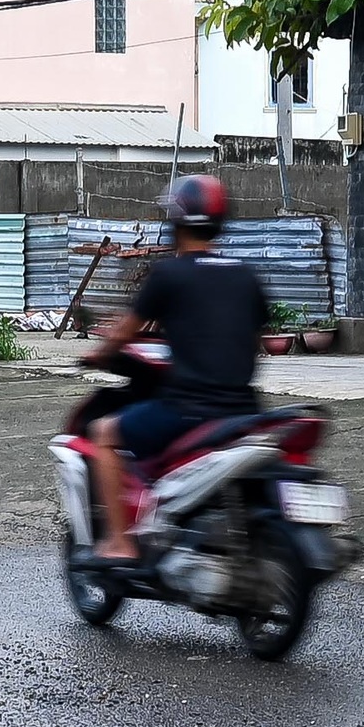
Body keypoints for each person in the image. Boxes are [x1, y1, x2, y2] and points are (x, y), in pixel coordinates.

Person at [87, 172, 289, 561]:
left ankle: (120, 541)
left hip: (186, 411)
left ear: (176, 222)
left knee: (103, 434)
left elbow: (123, 335)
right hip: (244, 412)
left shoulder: (168, 274)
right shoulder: (246, 275)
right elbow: (257, 343)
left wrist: (98, 354)